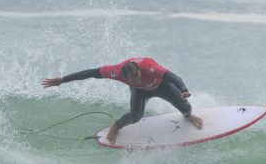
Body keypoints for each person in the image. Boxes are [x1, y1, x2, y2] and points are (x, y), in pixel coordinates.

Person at [42, 57, 203, 144]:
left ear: (140, 71)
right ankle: (116, 126)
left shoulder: (150, 68)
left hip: (161, 86)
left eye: (137, 77)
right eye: (131, 80)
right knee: (135, 115)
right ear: (124, 76)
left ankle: (188, 116)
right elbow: (90, 72)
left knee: (186, 108)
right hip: (141, 92)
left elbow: (174, 77)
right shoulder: (115, 71)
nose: (135, 80)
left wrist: (184, 91)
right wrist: (62, 80)